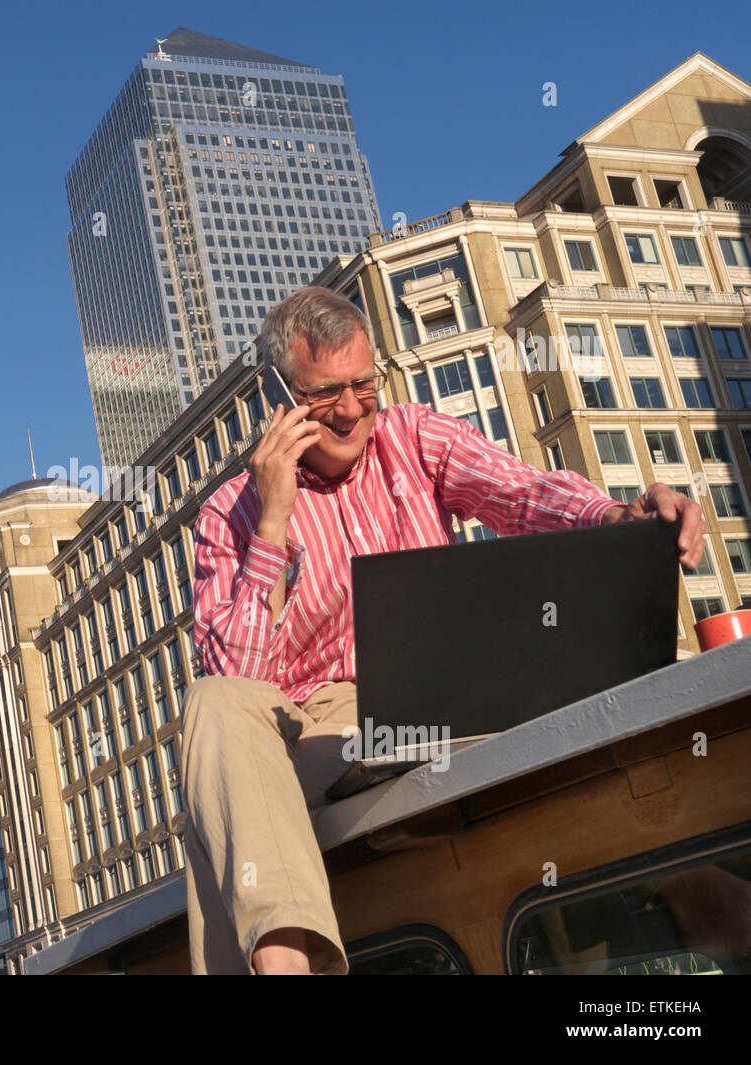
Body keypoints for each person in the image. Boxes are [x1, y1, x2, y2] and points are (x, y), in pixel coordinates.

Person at [182, 286, 706, 975]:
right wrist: (273, 522)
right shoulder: (229, 512)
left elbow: (520, 493)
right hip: (315, 730)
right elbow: (239, 676)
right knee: (212, 705)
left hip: (441, 692)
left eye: (363, 383)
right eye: (323, 393)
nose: (349, 409)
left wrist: (617, 519)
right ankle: (285, 965)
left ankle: (687, 897)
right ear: (279, 392)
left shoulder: (415, 435)